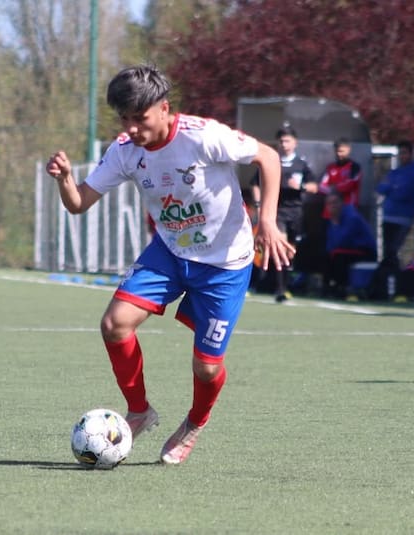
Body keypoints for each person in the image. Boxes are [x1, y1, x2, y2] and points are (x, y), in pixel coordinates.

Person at [46, 64, 294, 465]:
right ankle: (139, 410)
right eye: (124, 119)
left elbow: (267, 157)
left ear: (165, 108)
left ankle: (196, 421)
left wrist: (267, 219)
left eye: (139, 118)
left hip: (225, 264)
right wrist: (63, 180)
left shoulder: (204, 137)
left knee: (207, 367)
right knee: (114, 324)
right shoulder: (126, 150)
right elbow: (79, 204)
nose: (131, 128)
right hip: (170, 253)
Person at [251, 125, 316, 302]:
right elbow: (255, 183)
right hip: (276, 211)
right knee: (280, 245)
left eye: (287, 141)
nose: (284, 144)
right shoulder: (272, 161)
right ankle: (279, 289)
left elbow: (314, 187)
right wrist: (259, 204)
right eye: (281, 141)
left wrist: (301, 187)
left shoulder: (301, 164)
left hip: (295, 211)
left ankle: (285, 285)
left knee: (290, 251)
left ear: (295, 143)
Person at [375, 140, 414, 274]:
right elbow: (381, 188)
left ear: (411, 154)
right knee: (387, 251)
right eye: (400, 153)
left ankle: (395, 277)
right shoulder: (394, 172)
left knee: (393, 249)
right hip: (388, 215)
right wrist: (393, 187)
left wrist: (391, 188)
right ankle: (389, 279)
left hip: (403, 217)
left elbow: (404, 193)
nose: (402, 156)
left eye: (405, 153)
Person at [323, 189, 376, 299]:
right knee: (325, 255)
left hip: (365, 252)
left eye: (335, 202)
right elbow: (330, 244)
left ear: (342, 203)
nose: (332, 206)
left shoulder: (351, 217)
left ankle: (342, 288)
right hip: (348, 250)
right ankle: (327, 287)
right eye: (329, 203)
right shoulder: (332, 219)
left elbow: (342, 240)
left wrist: (335, 224)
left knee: (339, 257)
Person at [318, 137, 362, 207]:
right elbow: (321, 187)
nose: (339, 154)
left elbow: (349, 185)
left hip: (348, 209)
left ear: (348, 150)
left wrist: (333, 188)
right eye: (337, 151)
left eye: (341, 151)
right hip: (330, 211)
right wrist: (332, 189)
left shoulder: (354, 167)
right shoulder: (330, 167)